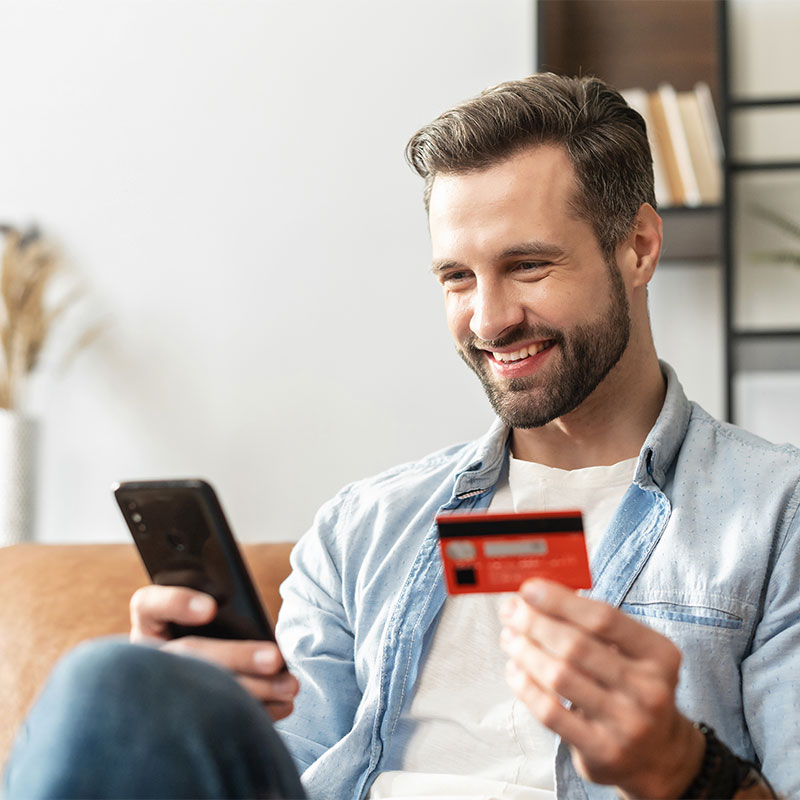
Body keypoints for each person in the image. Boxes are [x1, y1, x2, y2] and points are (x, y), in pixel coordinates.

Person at [3, 74, 794, 800]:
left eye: (527, 265)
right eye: (457, 277)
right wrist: (186, 707)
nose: (488, 319)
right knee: (111, 680)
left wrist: (682, 768)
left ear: (638, 247)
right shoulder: (363, 528)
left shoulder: (774, 516)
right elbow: (283, 772)